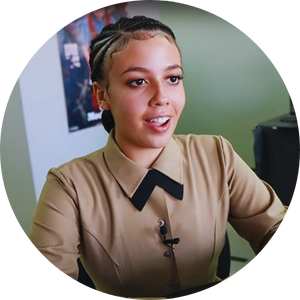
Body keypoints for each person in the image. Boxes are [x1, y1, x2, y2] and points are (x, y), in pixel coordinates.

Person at [27, 16, 291, 298]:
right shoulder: (68, 186)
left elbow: (273, 224)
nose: (161, 97)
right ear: (102, 95)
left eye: (173, 78)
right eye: (138, 81)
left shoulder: (217, 153)